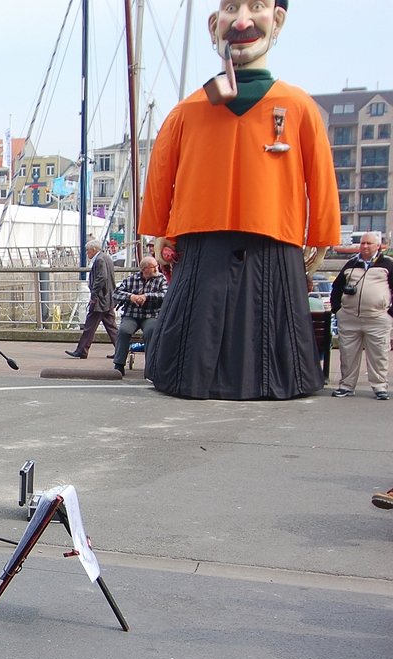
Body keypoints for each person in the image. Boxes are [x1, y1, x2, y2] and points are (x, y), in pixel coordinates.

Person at [139, 0, 339, 400]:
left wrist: (322, 232)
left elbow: (320, 173)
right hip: (202, 236)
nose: (243, 20)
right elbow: (161, 172)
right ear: (215, 24)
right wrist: (159, 229)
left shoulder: (298, 107)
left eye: (257, 7)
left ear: (277, 20)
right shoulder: (188, 110)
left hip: (273, 235)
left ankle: (202, 376)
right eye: (232, 7)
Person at [329, 232, 393, 400]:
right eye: (362, 243)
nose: (365, 246)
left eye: (369, 243)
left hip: (377, 317)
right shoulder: (351, 264)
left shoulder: (388, 264)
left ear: (377, 246)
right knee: (348, 354)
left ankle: (380, 387)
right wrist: (338, 310)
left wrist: (389, 314)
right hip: (350, 317)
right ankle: (346, 386)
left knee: (379, 355)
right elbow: (337, 287)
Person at [110, 256, 168, 375]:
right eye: (154, 267)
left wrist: (147, 296)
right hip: (132, 314)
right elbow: (116, 293)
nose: (157, 268)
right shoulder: (132, 279)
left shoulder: (161, 279)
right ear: (145, 269)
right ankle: (119, 364)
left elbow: (165, 294)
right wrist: (131, 296)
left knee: (151, 332)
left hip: (151, 314)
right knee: (124, 331)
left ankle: (150, 366)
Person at [65, 239, 118, 359]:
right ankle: (121, 351)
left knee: (89, 326)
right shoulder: (107, 258)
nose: (86, 253)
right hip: (108, 298)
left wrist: (94, 295)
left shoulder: (99, 260)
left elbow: (102, 278)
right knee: (111, 327)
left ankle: (82, 350)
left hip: (100, 299)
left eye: (87, 250)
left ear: (93, 250)